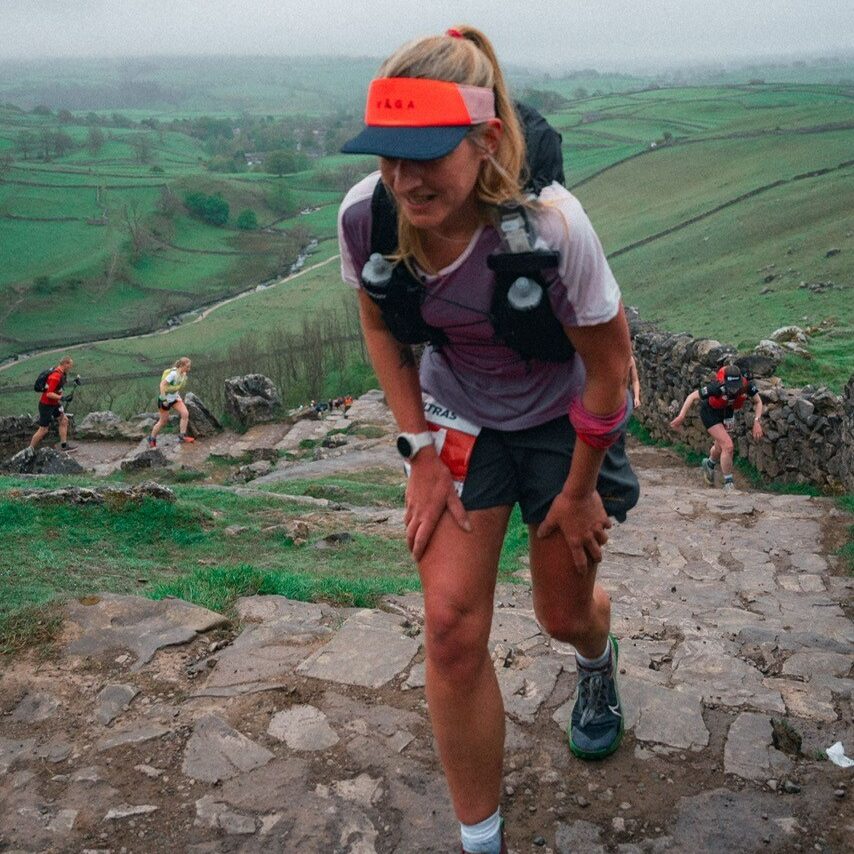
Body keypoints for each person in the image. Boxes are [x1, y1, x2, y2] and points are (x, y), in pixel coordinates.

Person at [338, 26, 637, 854]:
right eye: (388, 155)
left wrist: (579, 493)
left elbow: (610, 370)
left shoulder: (554, 228)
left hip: (560, 413)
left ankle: (597, 655)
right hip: (458, 414)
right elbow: (377, 321)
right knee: (450, 627)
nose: (404, 179)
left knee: (559, 612)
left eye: (427, 154)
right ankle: (482, 842)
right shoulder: (367, 216)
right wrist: (420, 453)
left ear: (487, 140)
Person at [670, 364, 763, 493]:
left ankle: (709, 464)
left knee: (720, 447)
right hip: (710, 413)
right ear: (724, 381)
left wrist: (757, 421)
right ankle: (728, 484)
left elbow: (758, 402)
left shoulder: (747, 385)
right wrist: (681, 416)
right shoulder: (716, 387)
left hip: (727, 413)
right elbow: (692, 396)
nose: (734, 391)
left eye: (737, 387)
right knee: (728, 446)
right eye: (731, 388)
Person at [25, 355, 77, 457]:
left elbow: (58, 388)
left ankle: (64, 445)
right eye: (70, 365)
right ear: (65, 364)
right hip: (46, 405)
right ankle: (28, 451)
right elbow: (49, 393)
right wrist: (62, 398)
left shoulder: (61, 374)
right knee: (43, 430)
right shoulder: (56, 376)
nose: (71, 367)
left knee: (64, 420)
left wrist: (74, 384)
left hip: (54, 404)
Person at [147, 357, 195, 447]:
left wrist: (177, 395)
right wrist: (164, 399)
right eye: (187, 367)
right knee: (163, 421)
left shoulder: (182, 374)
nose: (189, 369)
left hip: (175, 399)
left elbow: (176, 386)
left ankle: (182, 436)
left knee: (185, 413)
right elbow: (162, 385)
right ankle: (152, 438)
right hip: (165, 400)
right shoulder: (173, 374)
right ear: (181, 365)